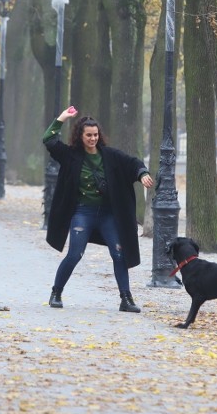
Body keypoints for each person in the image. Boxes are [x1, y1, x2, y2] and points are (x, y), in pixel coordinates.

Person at [43, 106, 154, 313]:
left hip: (107, 215)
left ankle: (126, 299)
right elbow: (49, 140)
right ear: (81, 136)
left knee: (119, 254)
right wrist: (61, 118)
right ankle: (56, 292)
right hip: (82, 214)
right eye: (88, 135)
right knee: (75, 254)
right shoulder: (70, 156)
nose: (93, 138)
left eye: (95, 135)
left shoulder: (110, 156)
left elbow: (132, 163)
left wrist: (142, 173)